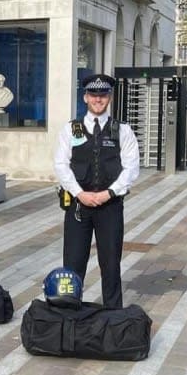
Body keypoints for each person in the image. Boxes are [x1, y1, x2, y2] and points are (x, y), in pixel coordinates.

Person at [54, 73, 139, 308]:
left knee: (110, 263)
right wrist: (80, 193)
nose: (98, 100)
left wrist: (108, 193)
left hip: (109, 205)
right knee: (73, 262)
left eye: (102, 95)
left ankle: (113, 316)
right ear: (85, 97)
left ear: (109, 98)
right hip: (78, 205)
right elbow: (61, 165)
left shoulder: (122, 130)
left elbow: (132, 169)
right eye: (93, 95)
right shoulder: (71, 129)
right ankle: (69, 314)